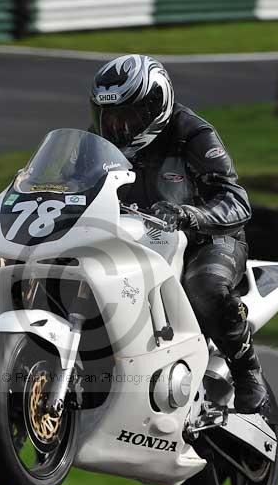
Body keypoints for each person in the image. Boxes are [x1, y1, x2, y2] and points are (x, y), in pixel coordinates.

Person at [89, 53, 267, 414]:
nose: (118, 127)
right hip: (140, 236)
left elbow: (237, 200)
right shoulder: (100, 142)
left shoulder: (192, 133)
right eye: (110, 117)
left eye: (128, 116)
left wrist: (193, 214)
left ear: (155, 104)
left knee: (204, 287)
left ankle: (247, 370)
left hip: (209, 238)